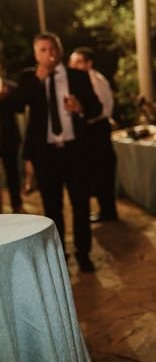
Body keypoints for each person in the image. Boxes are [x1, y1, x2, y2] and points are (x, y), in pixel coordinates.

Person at [2, 32, 102, 272]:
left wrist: (81, 108)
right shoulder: (28, 78)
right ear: (37, 54)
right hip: (45, 154)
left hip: (74, 151)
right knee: (52, 208)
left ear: (60, 51)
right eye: (44, 50)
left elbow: (96, 107)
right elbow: (15, 105)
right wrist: (38, 79)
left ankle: (84, 254)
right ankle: (59, 257)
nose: (50, 54)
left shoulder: (78, 76)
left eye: (53, 49)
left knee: (80, 205)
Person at [69, 47, 118, 223]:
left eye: (77, 62)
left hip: (97, 128)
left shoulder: (92, 79)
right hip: (97, 127)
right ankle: (106, 210)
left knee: (102, 170)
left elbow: (101, 109)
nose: (73, 66)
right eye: (71, 62)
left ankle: (108, 211)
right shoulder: (92, 78)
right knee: (99, 172)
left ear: (89, 63)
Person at [0, 78, 24, 213]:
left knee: (12, 174)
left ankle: (17, 204)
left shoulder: (11, 87)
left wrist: (6, 96)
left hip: (9, 138)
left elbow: (20, 107)